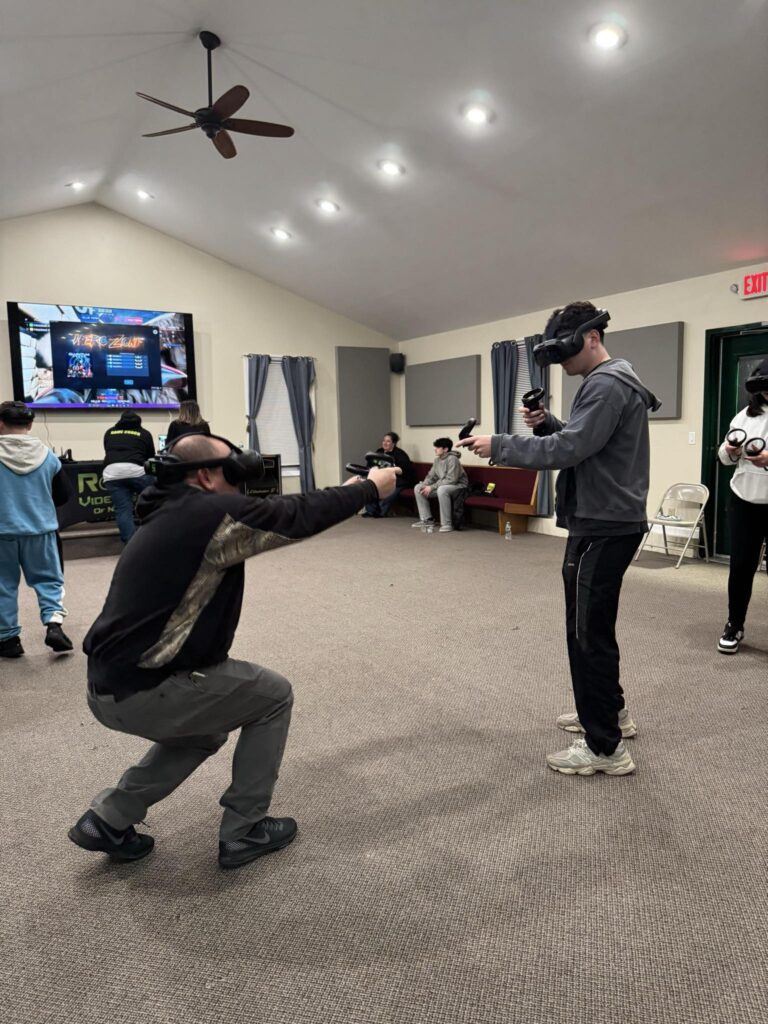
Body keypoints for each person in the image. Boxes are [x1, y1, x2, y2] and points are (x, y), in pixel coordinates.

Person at [68, 433, 400, 869]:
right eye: (233, 469)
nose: (241, 480)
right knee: (273, 696)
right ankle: (245, 830)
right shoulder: (208, 513)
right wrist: (370, 489)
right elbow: (295, 515)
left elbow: (289, 508)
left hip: (108, 686)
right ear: (206, 476)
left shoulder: (168, 509)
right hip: (150, 688)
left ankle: (108, 819)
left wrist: (351, 489)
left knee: (203, 732)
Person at [458, 301, 660, 776]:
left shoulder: (606, 385)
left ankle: (605, 748)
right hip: (606, 520)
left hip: (602, 525)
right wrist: (548, 425)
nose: (564, 363)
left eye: (568, 352)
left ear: (592, 337)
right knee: (594, 628)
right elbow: (587, 443)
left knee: (587, 634)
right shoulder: (611, 380)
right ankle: (612, 713)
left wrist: (500, 445)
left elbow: (569, 450)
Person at [0, 401, 73, 657]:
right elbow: (63, 496)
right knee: (49, 580)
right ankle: (54, 624)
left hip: (2, 532)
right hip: (41, 530)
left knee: (3, 585)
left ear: (0, 424)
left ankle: (8, 639)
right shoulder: (48, 457)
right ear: (30, 424)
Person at [716, 359, 768, 654]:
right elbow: (724, 457)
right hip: (744, 500)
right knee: (740, 567)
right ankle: (734, 624)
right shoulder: (743, 417)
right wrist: (730, 451)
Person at [102, 410, 155, 544]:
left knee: (123, 510)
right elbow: (150, 457)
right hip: (137, 471)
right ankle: (153, 538)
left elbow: (107, 450)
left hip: (112, 473)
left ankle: (131, 545)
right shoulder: (144, 433)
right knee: (153, 502)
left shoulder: (109, 432)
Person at [412, 438, 468, 533]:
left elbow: (451, 479)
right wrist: (425, 485)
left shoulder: (453, 459)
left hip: (458, 486)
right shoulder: (437, 460)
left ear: (445, 449)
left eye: (438, 447)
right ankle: (427, 519)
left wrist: (432, 487)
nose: (435, 449)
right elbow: (431, 476)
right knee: (418, 487)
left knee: (442, 490)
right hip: (444, 485)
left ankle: (447, 524)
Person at [362, 432, 416, 517]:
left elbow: (404, 471)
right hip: (382, 479)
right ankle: (371, 511)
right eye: (384, 441)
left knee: (390, 491)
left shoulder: (400, 454)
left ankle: (381, 512)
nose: (385, 443)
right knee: (369, 487)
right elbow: (370, 465)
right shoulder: (379, 452)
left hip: (399, 480)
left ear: (393, 443)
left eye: (388, 441)